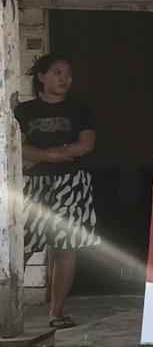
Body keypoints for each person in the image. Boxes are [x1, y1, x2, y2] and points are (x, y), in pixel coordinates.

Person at [14, 54, 99, 329]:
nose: (64, 79)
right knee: (22, 246)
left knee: (64, 247)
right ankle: (9, 313)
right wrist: (55, 154)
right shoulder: (24, 111)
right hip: (34, 184)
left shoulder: (80, 109)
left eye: (68, 74)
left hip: (72, 182)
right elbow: (17, 148)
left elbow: (85, 146)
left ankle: (56, 313)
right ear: (41, 77)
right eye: (57, 73)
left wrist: (39, 155)